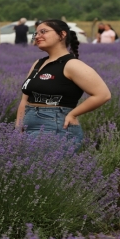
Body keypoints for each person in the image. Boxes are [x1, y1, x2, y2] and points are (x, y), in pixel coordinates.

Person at [16, 19, 111, 147]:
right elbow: (25, 99)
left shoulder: (72, 65)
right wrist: (18, 127)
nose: (37, 36)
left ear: (62, 34)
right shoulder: (38, 64)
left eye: (43, 32)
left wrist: (73, 114)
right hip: (29, 124)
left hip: (55, 126)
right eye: (36, 33)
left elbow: (103, 95)